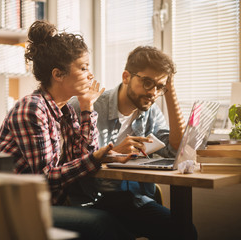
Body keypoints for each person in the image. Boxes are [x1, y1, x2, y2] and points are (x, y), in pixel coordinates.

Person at [0, 20, 134, 240]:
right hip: (13, 208)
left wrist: (87, 107)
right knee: (101, 223)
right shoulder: (32, 108)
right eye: (84, 67)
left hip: (46, 202)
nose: (90, 75)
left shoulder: (64, 111)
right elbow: (45, 176)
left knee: (123, 209)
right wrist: (95, 158)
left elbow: (82, 157)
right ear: (58, 74)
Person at [69, 46, 197, 240]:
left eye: (159, 87)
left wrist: (170, 92)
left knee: (183, 230)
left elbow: (175, 150)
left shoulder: (150, 112)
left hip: (132, 199)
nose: (153, 92)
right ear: (126, 77)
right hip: (92, 199)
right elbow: (70, 162)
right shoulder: (85, 105)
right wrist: (111, 153)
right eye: (147, 82)